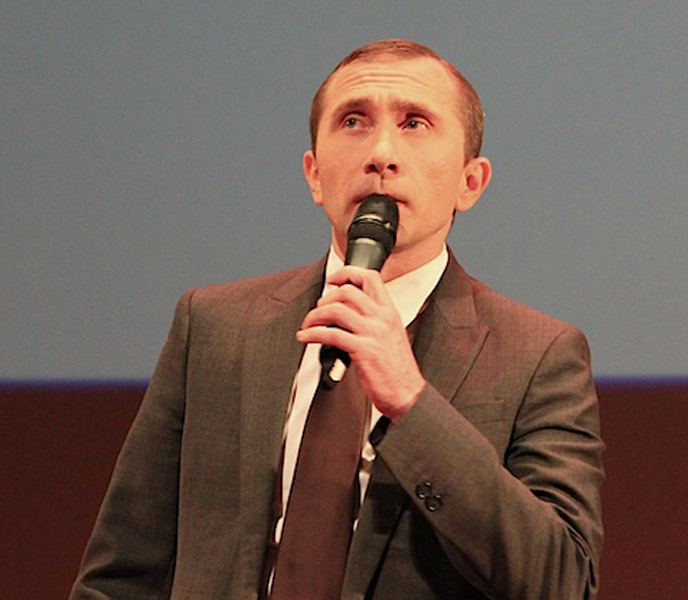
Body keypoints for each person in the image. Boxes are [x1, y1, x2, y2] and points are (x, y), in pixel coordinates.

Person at [70, 40, 604, 600]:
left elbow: (563, 579)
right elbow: (121, 575)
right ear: (314, 174)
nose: (381, 153)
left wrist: (412, 405)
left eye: (415, 123)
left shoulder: (539, 355)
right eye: (353, 121)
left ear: (471, 182)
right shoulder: (215, 327)